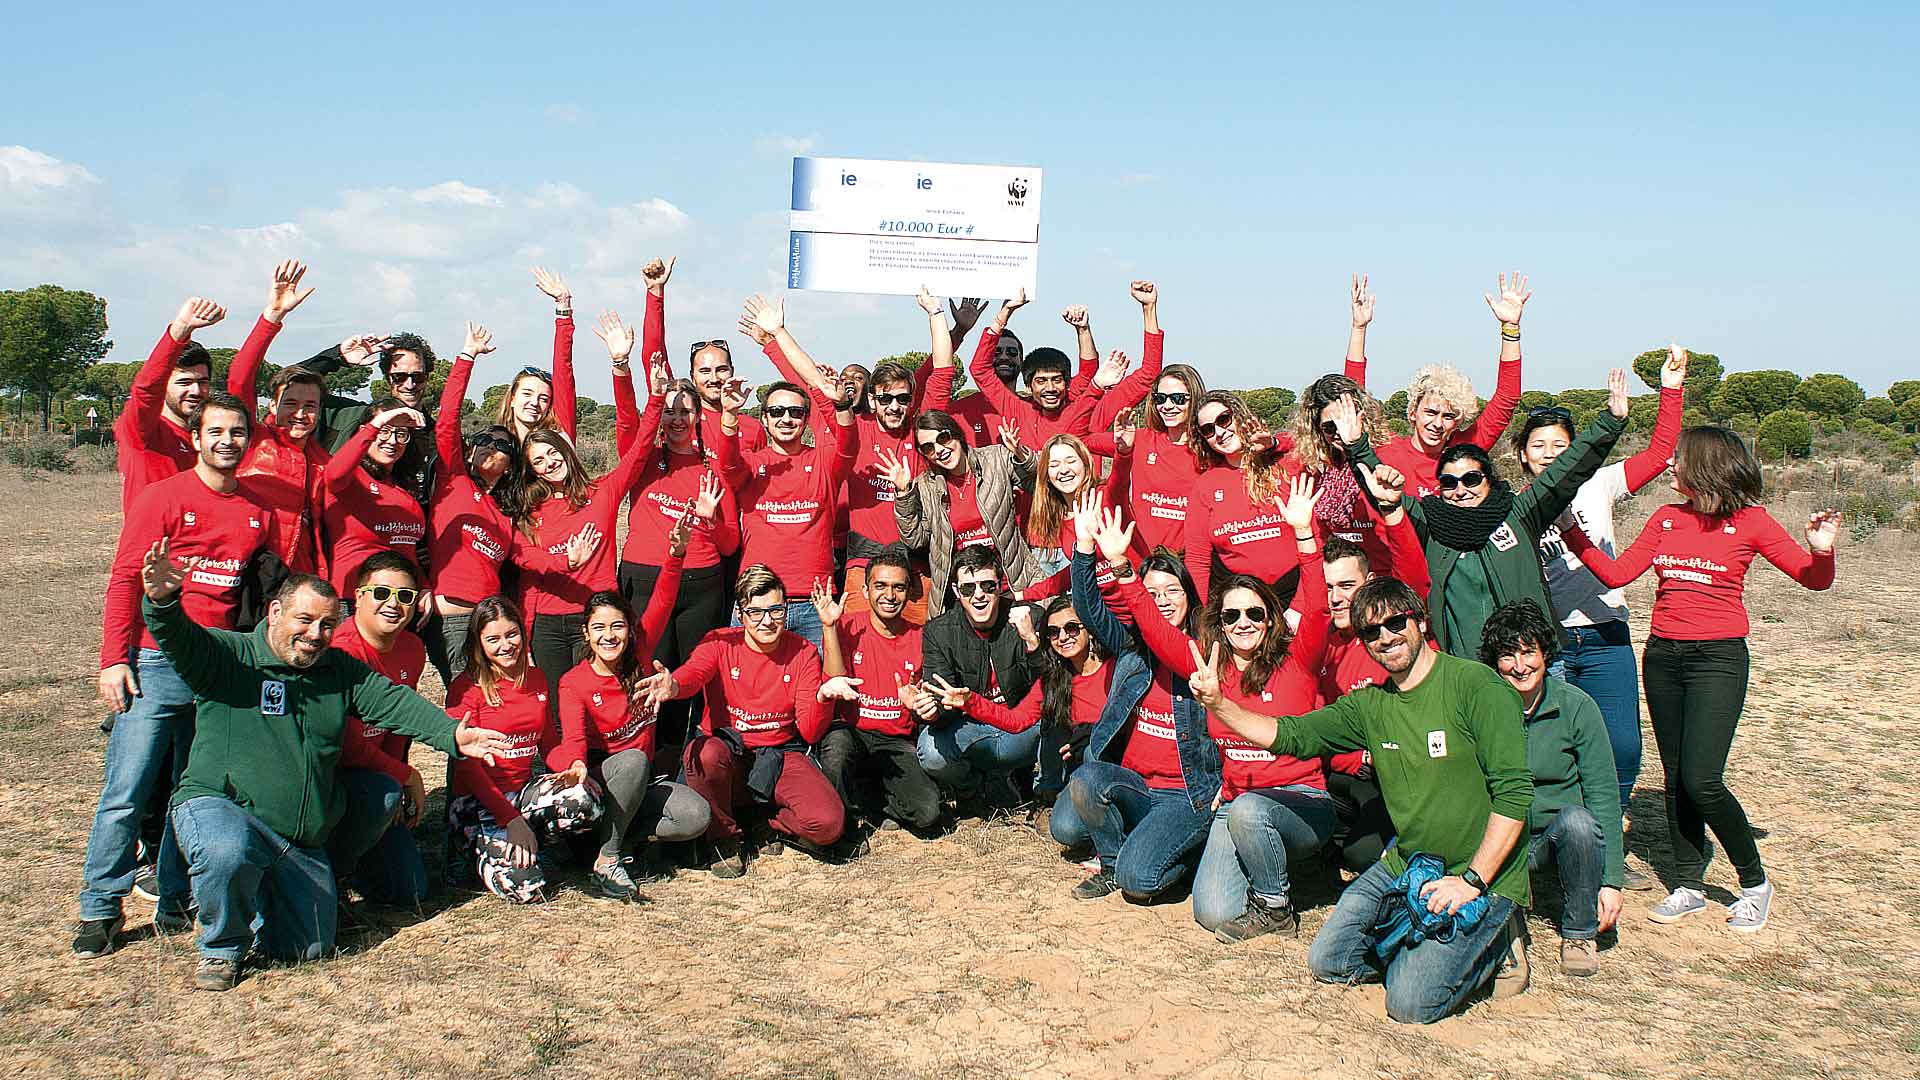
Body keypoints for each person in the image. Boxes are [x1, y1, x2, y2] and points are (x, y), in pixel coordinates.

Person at [135, 555, 508, 990]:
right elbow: (182, 639)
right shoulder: (231, 656)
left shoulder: (337, 670)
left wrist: (451, 734)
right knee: (226, 850)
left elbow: (392, 701)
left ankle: (269, 894)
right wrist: (162, 603)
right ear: (276, 611)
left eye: (327, 625)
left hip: (295, 835)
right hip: (225, 807)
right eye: (305, 620)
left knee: (308, 946)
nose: (315, 634)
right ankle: (223, 947)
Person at [1195, 577, 1534, 1024]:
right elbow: (1291, 735)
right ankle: (1425, 937)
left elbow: (1514, 794)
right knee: (1329, 961)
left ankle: (1497, 939)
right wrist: (1219, 705)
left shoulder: (1476, 686)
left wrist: (1472, 880)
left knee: (1410, 1005)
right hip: (1409, 862)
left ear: (1420, 621)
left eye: (1395, 623)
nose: (1385, 637)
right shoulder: (1371, 705)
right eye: (1371, 632)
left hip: (1478, 873)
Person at [1559, 427, 1840, 933]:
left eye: (1680, 459)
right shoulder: (1667, 518)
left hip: (1718, 659)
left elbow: (1812, 578)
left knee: (1702, 780)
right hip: (1664, 656)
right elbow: (1619, 574)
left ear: (1706, 467)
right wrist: (1572, 534)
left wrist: (1821, 551)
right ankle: (1688, 884)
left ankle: (1754, 883)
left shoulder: (1751, 522)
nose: (1671, 466)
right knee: (1675, 779)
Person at [78, 393, 273, 958]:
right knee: (128, 789)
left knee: (193, 791)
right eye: (216, 431)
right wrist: (114, 659)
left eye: (237, 432)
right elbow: (125, 579)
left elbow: (252, 592)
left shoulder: (257, 510)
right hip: (155, 662)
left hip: (216, 668)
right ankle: (100, 906)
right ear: (195, 437)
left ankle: (175, 898)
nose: (227, 442)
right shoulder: (163, 497)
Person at [1103, 477, 1337, 939]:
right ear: (1220, 624)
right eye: (1231, 616)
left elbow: (1318, 609)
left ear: (1270, 619)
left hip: (1300, 799)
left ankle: (1276, 906)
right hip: (1235, 804)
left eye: (1254, 613)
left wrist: (1304, 536)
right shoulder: (1210, 666)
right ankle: (1262, 864)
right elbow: (1155, 628)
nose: (1243, 623)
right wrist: (1121, 568)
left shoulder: (1298, 660)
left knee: (1251, 810)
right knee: (1213, 913)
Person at [1340, 371, 1629, 659]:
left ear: (1488, 480)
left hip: (1527, 663)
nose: (1461, 489)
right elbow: (1382, 489)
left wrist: (1610, 422)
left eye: (1471, 479)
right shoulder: (1431, 523)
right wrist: (1356, 447)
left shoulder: (1520, 513)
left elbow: (1566, 470)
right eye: (1449, 482)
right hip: (1463, 667)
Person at [1522, 346, 1687, 833]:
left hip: (1604, 635)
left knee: (1622, 746)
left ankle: (1605, 836)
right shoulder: (1516, 504)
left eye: (1560, 444)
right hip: (1548, 643)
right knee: (1555, 746)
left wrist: (1670, 390)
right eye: (1538, 445)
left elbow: (1659, 453)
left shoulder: (1599, 482)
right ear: (1522, 454)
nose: (1549, 453)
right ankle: (1562, 838)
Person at [636, 566, 860, 877]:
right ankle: (725, 838)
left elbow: (810, 732)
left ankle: (764, 822)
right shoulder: (719, 642)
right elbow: (694, 673)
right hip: (729, 754)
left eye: (775, 610)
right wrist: (674, 685)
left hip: (780, 754)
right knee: (704, 753)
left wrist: (822, 698)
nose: (767, 621)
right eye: (755, 612)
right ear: (740, 615)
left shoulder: (803, 652)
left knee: (828, 824)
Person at [1052, 496, 1222, 904]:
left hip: (1185, 793)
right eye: (1152, 592)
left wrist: (1123, 568)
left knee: (1140, 880)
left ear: (1190, 596)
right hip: (1136, 784)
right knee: (1073, 810)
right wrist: (1084, 547)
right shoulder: (1132, 649)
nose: (1162, 600)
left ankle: (1182, 852)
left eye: (1172, 590)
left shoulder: (1204, 654)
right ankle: (1113, 862)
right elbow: (1089, 610)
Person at [556, 513, 715, 901]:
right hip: (599, 786)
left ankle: (620, 839)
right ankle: (607, 857)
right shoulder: (574, 682)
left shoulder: (641, 656)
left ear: (629, 631)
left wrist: (676, 554)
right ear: (586, 633)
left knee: (696, 816)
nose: (609, 636)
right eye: (599, 628)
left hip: (641, 786)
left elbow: (664, 598)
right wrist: (575, 764)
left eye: (617, 627)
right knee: (632, 760)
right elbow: (573, 738)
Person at [515, 324, 668, 698]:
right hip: (548, 624)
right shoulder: (530, 509)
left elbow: (640, 450)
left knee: (603, 700)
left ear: (567, 452)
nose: (549, 464)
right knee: (556, 706)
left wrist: (656, 399)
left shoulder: (603, 492)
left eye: (553, 453)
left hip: (597, 618)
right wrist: (565, 563)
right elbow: (526, 564)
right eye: (538, 461)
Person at [1478, 601, 1623, 977]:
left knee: (1579, 822)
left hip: (1554, 839)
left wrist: (1611, 881)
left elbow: (1603, 794)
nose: (1520, 666)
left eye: (1529, 652)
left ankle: (1579, 932)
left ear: (1545, 654)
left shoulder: (1576, 707)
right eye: (1507, 655)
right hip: (1499, 837)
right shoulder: (1481, 709)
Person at [797, 288, 957, 623]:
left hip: (915, 567)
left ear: (911, 401)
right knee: (857, 645)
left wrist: (935, 312)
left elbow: (943, 370)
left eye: (902, 399)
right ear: (872, 400)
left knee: (918, 649)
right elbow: (811, 379)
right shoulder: (855, 431)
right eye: (886, 399)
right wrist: (776, 333)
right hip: (863, 565)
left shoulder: (922, 432)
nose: (894, 406)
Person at [714, 296, 859, 649]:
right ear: (764, 419)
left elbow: (848, 442)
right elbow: (728, 464)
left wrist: (839, 403)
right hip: (757, 600)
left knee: (820, 684)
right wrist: (729, 416)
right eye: (777, 412)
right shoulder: (753, 463)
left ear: (806, 420)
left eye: (795, 412)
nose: (786, 418)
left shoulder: (824, 461)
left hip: (815, 603)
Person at [444, 597, 605, 904]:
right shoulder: (465, 690)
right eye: (493, 639)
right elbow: (467, 768)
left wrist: (573, 765)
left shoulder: (537, 679)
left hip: (520, 793)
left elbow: (548, 742)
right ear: (478, 643)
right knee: (528, 889)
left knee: (587, 802)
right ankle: (469, 849)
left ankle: (530, 845)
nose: (506, 645)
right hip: (478, 803)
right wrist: (510, 820)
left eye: (511, 634)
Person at [1346, 272, 1528, 499]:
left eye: (1448, 416)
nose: (1437, 423)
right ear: (1412, 413)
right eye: (1431, 412)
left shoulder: (1464, 451)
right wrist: (1359, 329)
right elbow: (1353, 403)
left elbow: (1507, 398)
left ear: (1458, 421)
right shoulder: (1387, 449)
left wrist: (1510, 327)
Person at [329, 553, 437, 907]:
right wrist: (404, 776)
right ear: (358, 596)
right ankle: (332, 870)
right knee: (384, 795)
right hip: (332, 781)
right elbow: (344, 747)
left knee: (409, 892)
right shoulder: (341, 652)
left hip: (377, 777)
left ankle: (360, 856)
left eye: (405, 596)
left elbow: (397, 726)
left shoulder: (412, 648)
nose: (393, 604)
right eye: (381, 593)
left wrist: (396, 775)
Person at [1316, 534, 1428, 873]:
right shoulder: (1320, 643)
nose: (1336, 598)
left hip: (1392, 774)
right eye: (1328, 587)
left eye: (1346, 586)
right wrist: (1355, 758)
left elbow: (1416, 576)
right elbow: (1316, 726)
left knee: (1362, 854)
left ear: (1369, 582)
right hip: (1343, 769)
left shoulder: (1394, 641)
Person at [813, 549, 944, 836]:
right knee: (836, 752)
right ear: (865, 590)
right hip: (852, 732)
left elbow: (930, 702)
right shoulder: (847, 626)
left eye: (899, 587)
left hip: (895, 741)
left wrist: (920, 706)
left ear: (910, 593)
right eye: (880, 586)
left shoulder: (922, 637)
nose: (890, 595)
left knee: (928, 813)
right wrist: (829, 627)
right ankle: (844, 819)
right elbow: (835, 681)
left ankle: (871, 798)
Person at [911, 547, 1046, 809]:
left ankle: (1044, 795)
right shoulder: (939, 632)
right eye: (968, 588)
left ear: (1000, 585)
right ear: (955, 591)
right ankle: (973, 790)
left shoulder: (1029, 618)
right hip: (972, 728)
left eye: (987, 585)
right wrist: (931, 712)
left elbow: (1052, 688)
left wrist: (1032, 642)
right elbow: (941, 699)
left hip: (1022, 724)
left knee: (1059, 721)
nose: (979, 595)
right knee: (930, 750)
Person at [966, 284, 1164, 453]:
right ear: (1028, 386)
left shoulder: (1090, 411)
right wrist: (1005, 313)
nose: (1050, 388)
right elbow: (979, 369)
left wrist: (1149, 309)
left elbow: (1148, 375)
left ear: (1068, 384)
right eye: (1041, 381)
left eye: (1057, 380)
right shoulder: (1018, 411)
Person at [887, 409, 1042, 618]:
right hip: (964, 595)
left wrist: (1021, 454)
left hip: (1011, 585)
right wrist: (904, 494)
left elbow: (1040, 481)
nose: (939, 450)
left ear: (957, 434)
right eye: (928, 447)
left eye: (943, 438)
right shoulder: (925, 485)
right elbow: (914, 539)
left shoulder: (995, 459)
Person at [225, 259, 327, 575]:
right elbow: (240, 377)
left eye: (310, 405)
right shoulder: (253, 439)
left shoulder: (323, 460)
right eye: (290, 403)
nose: (300, 414)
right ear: (272, 406)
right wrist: (273, 316)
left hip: (300, 577)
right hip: (247, 572)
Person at [637, 256, 770, 457]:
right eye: (705, 371)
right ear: (692, 376)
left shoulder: (753, 429)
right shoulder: (681, 418)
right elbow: (654, 356)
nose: (714, 378)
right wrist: (655, 293)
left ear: (732, 371)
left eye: (721, 369)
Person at [294, 330, 442, 507]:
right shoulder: (350, 416)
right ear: (388, 378)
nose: (410, 385)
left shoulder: (438, 436)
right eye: (400, 377)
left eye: (417, 377)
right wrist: (337, 357)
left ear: (427, 378)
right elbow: (289, 385)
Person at [1184, 391, 1302, 604]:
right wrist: (1203, 612)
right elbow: (1197, 559)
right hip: (1240, 604)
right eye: (1208, 430)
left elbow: (1312, 441)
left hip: (1296, 595)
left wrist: (1274, 443)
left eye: (1224, 419)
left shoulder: (1286, 465)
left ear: (1239, 416)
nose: (1219, 432)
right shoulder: (1206, 485)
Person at [1083, 362, 1207, 554]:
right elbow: (1078, 437)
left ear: (1196, 400)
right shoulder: (1139, 440)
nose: (1168, 406)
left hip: (1188, 563)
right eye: (1160, 398)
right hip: (1143, 561)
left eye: (1178, 399)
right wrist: (1096, 387)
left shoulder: (1209, 450)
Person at [115, 296, 221, 512]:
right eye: (184, 382)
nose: (195, 391)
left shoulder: (209, 438)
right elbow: (145, 390)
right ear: (164, 384)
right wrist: (179, 330)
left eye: (203, 382)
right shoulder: (140, 432)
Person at [1289, 372, 1399, 579]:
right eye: (1330, 427)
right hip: (1343, 583)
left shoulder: (1388, 455)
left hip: (1387, 580)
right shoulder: (1322, 468)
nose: (1339, 432)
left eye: (1345, 422)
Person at [320, 400, 429, 600]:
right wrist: (376, 423)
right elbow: (333, 475)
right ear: (365, 431)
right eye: (384, 431)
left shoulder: (403, 490)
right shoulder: (351, 478)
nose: (392, 441)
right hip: (353, 600)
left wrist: (423, 587)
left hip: (400, 599)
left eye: (401, 434)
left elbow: (406, 552)